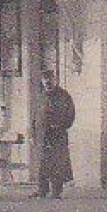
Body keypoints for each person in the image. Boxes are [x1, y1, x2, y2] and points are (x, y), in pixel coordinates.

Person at [33, 70, 76, 199]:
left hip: (57, 135)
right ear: (42, 81)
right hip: (42, 134)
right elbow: (36, 116)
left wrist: (61, 125)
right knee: (42, 162)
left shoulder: (63, 95)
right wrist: (33, 132)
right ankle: (42, 189)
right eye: (45, 80)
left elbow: (70, 114)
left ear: (55, 80)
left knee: (57, 162)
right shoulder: (41, 96)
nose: (47, 83)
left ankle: (56, 191)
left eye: (50, 80)